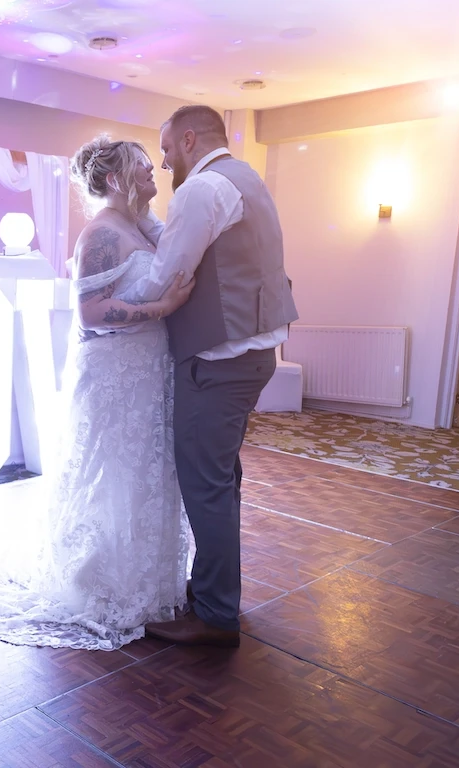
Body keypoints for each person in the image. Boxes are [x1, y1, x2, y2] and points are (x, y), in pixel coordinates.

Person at [0, 136, 196, 650]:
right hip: (113, 374)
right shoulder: (101, 235)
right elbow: (92, 313)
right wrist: (162, 309)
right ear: (114, 178)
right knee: (112, 474)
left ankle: (147, 585)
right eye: (143, 168)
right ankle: (102, 587)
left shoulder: (140, 228)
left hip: (147, 371)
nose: (154, 174)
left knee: (143, 474)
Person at [135, 105, 299, 648]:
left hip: (219, 360)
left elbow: (168, 276)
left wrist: (111, 296)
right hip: (252, 355)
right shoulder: (247, 177)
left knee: (205, 485)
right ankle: (212, 589)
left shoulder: (201, 190)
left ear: (187, 139)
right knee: (221, 480)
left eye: (165, 149)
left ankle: (214, 615)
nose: (162, 163)